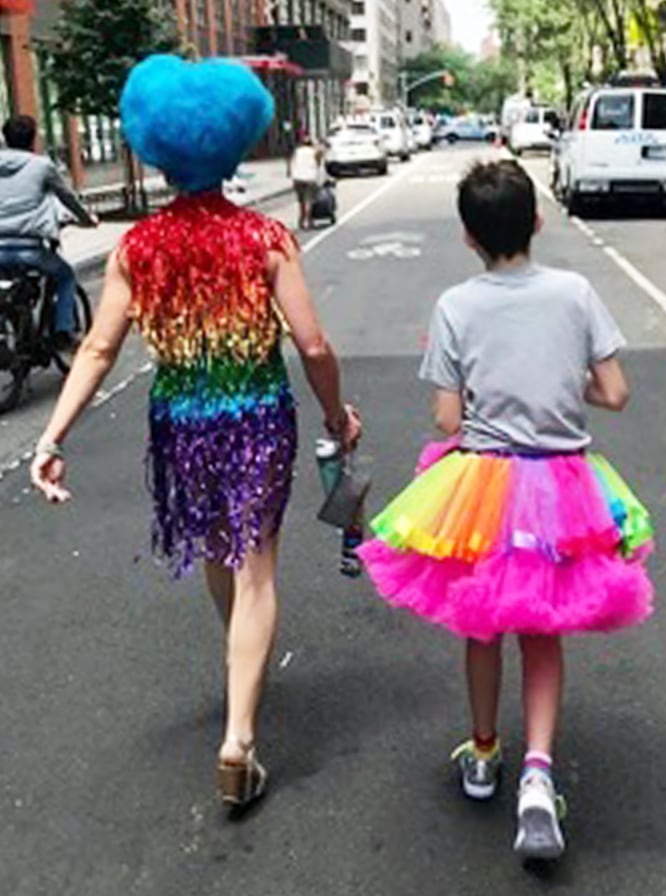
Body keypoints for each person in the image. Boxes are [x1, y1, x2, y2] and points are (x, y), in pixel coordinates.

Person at [29, 55, 361, 808]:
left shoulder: (137, 248)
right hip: (255, 419)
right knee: (258, 570)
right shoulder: (264, 238)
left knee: (220, 547)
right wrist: (337, 418)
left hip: (179, 423)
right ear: (234, 139)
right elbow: (312, 346)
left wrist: (52, 439)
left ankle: (239, 662)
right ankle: (239, 739)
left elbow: (99, 349)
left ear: (158, 146)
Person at [358, 160, 654, 862]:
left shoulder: (457, 306)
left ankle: (486, 754)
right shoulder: (576, 292)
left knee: (483, 622)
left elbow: (444, 418)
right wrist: (561, 379)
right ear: (538, 222)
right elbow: (616, 393)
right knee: (543, 630)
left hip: (484, 484)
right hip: (562, 485)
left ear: (467, 236)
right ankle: (538, 775)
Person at [0, 115, 97, 351]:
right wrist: (87, 219)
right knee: (65, 276)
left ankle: (8, 335)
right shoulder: (42, 166)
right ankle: (64, 331)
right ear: (33, 139)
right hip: (29, 248)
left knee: (6, 291)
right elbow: (67, 197)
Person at [290, 134, 323, 230]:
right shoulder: (314, 152)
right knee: (308, 200)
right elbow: (318, 164)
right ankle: (307, 221)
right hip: (309, 178)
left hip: (298, 178)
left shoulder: (297, 151)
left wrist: (292, 175)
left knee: (301, 201)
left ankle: (301, 220)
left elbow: (292, 163)